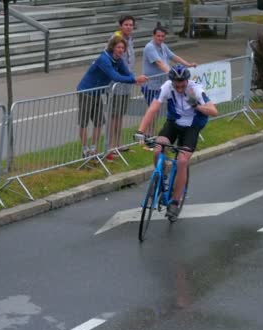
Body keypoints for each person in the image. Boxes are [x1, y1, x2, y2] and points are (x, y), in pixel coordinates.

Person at [134, 65, 218, 220]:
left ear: (187, 81)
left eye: (182, 85)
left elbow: (214, 111)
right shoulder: (167, 87)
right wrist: (140, 131)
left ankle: (175, 201)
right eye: (176, 85)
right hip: (174, 123)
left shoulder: (196, 89)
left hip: (192, 126)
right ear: (171, 82)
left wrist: (197, 106)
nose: (179, 88)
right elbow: (153, 109)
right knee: (159, 149)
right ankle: (161, 176)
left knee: (181, 161)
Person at [76, 36, 148, 158]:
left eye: (123, 48)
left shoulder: (118, 60)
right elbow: (114, 76)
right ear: (112, 47)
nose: (121, 50)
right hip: (86, 91)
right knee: (84, 122)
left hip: (98, 92)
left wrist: (133, 78)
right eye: (118, 47)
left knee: (99, 122)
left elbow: (125, 72)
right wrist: (134, 80)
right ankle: (84, 149)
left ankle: (93, 149)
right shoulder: (104, 59)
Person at [106, 15, 136, 161]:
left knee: (120, 115)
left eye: (131, 25)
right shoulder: (115, 38)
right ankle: (110, 145)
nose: (129, 27)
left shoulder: (131, 40)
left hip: (126, 84)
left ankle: (118, 143)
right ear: (120, 25)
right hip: (116, 84)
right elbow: (111, 60)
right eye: (126, 24)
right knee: (113, 115)